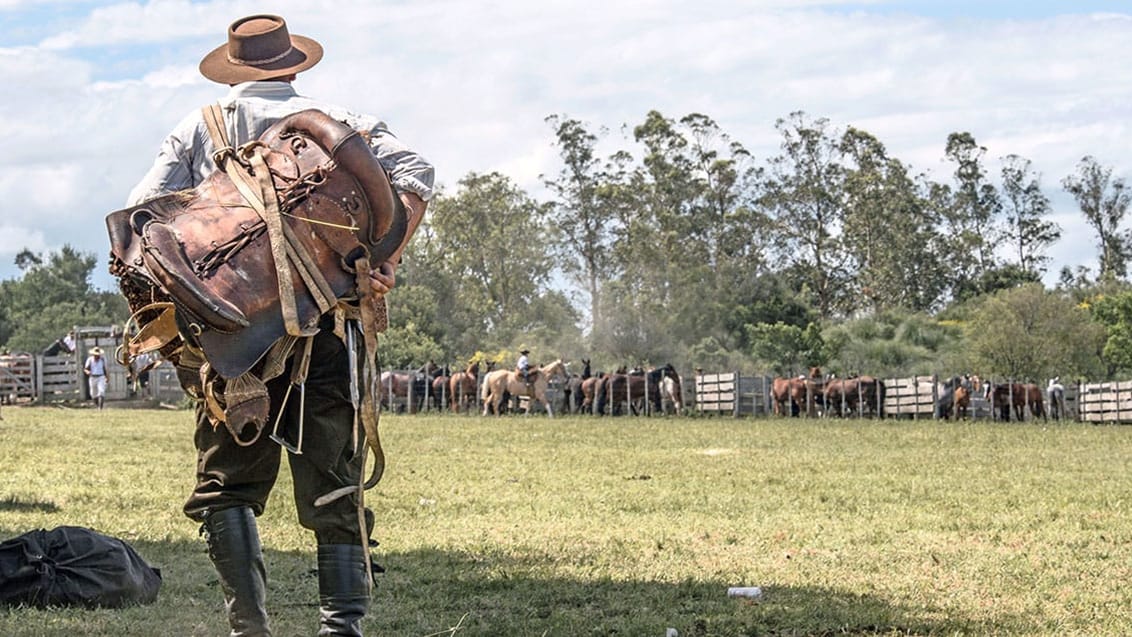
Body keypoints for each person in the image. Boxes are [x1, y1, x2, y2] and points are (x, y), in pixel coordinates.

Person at [125, 14, 433, 636]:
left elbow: (141, 216)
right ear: (293, 66)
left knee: (227, 485)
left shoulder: (200, 127)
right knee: (334, 474)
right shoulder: (342, 121)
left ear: (236, 70)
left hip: (233, 335)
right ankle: (340, 628)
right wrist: (384, 260)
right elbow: (416, 173)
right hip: (327, 326)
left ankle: (248, 627)